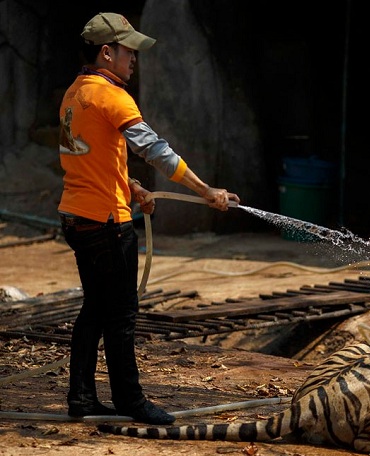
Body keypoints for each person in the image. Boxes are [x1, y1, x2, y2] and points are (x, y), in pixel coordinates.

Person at [58, 12, 240, 425]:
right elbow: (155, 150)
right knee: (121, 314)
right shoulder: (114, 97)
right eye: (129, 50)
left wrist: (132, 188)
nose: (134, 57)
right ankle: (130, 400)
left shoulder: (75, 93)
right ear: (107, 53)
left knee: (96, 308)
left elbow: (88, 157)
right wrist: (206, 191)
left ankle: (82, 397)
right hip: (105, 223)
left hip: (76, 216)